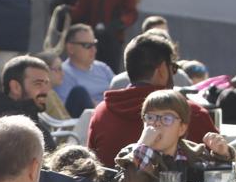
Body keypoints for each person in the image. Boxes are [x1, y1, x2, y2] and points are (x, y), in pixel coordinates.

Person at [88, 32, 217, 166]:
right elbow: (218, 169)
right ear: (161, 70)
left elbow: (93, 167)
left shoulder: (100, 113)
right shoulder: (190, 113)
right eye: (173, 68)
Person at [115, 90, 234, 182]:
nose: (156, 123)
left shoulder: (196, 154)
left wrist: (222, 155)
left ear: (182, 128)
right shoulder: (131, 154)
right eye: (150, 117)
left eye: (166, 119)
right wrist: (143, 146)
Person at [0, 55, 56, 151]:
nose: (46, 90)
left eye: (47, 83)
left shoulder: (7, 115)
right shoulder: (12, 126)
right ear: (16, 87)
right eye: (38, 84)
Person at [57, 24, 115, 111]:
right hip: (87, 121)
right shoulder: (62, 73)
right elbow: (69, 110)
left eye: (94, 44)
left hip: (111, 114)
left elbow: (121, 92)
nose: (93, 49)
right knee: (80, 93)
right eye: (87, 45)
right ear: (70, 48)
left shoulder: (103, 68)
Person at [33, 51, 79, 119]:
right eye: (59, 69)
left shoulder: (51, 92)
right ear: (46, 71)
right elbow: (61, 122)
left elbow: (66, 119)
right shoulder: (45, 95)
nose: (63, 74)